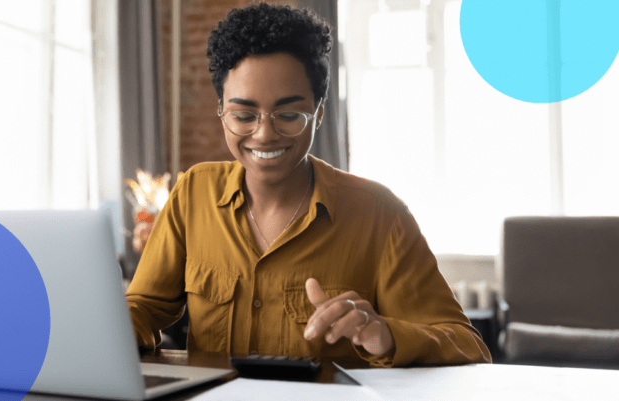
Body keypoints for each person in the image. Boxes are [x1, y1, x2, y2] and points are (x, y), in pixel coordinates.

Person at [126, 2, 490, 367]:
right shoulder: (193, 194)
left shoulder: (380, 214)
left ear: (318, 113)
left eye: (288, 115)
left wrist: (385, 334)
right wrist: (113, 325)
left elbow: (468, 346)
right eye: (243, 115)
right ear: (221, 111)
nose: (264, 134)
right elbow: (143, 307)